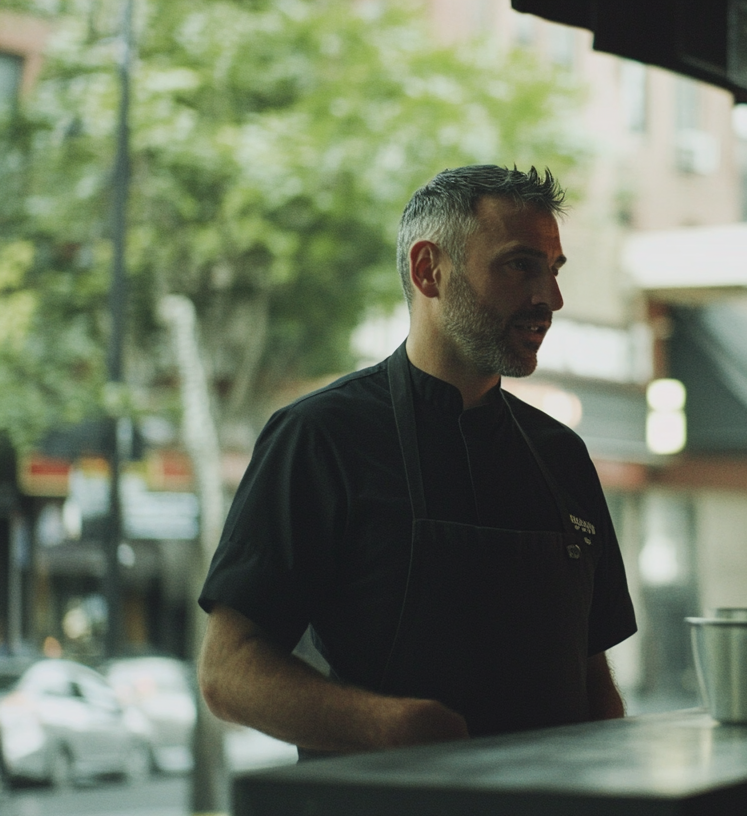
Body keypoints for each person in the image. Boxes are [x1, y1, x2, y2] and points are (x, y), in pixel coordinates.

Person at [196, 166, 637, 756]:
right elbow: (228, 672)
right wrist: (384, 725)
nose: (550, 299)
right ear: (429, 270)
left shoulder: (562, 455)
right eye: (519, 265)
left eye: (553, 271)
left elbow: (592, 679)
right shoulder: (321, 437)